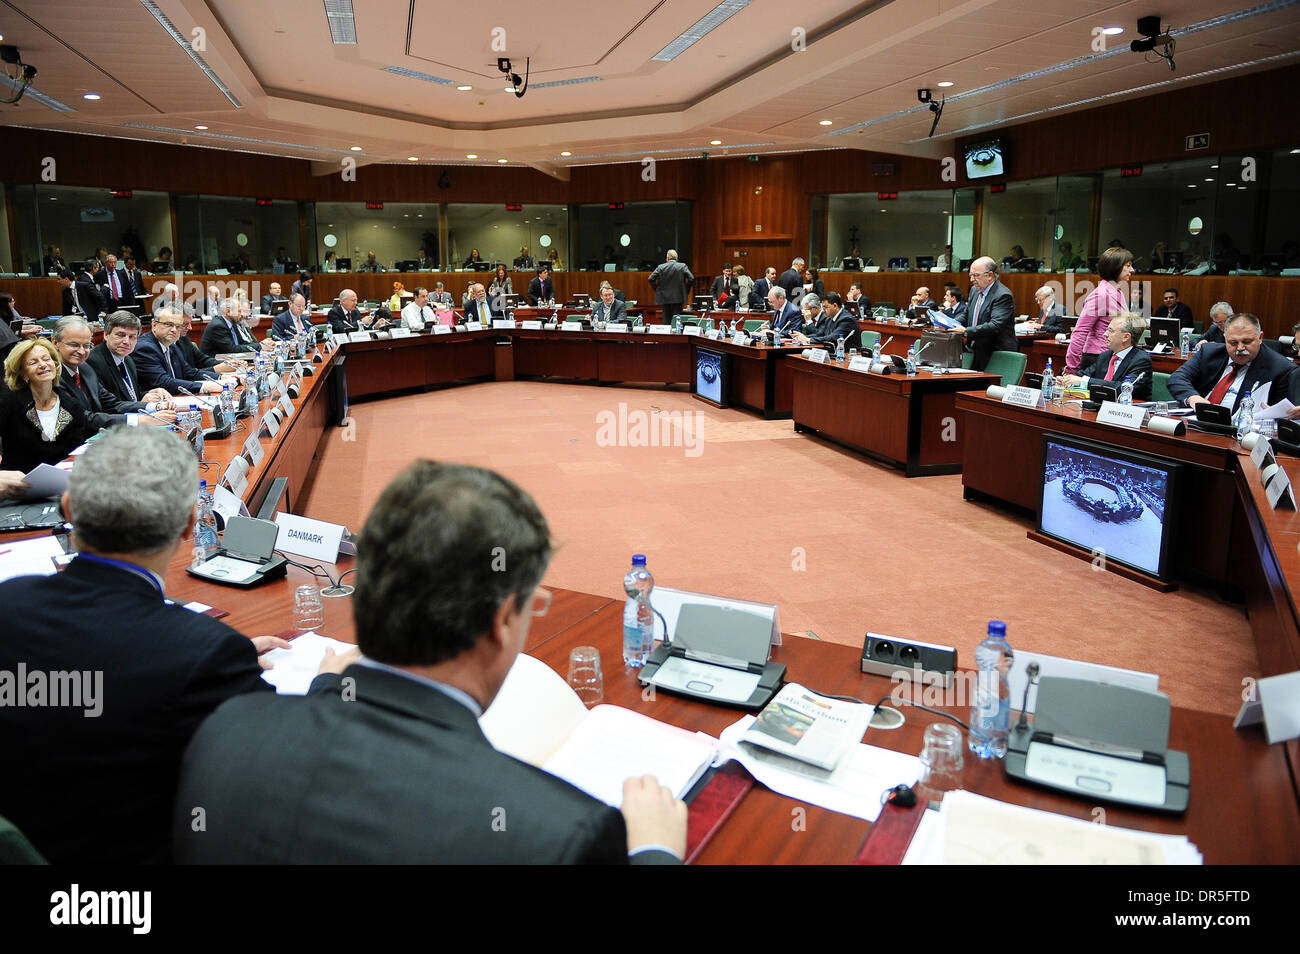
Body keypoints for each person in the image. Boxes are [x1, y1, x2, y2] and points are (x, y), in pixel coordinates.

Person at [172, 461, 685, 864]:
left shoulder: (223, 730)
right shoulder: (561, 832)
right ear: (502, 620)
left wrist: (330, 691)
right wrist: (654, 851)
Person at [0, 426, 351, 864]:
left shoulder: (9, 603)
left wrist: (224, 656)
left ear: (68, 509)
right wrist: (330, 685)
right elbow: (291, 759)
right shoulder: (201, 653)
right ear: (190, 524)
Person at [52, 317, 175, 431]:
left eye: (86, 345)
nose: (81, 351)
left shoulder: (85, 369)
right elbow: (83, 418)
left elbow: (113, 404)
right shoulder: (52, 377)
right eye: (74, 345)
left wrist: (155, 407)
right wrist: (140, 420)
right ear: (55, 343)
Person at [1168, 313, 1296, 413]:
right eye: (1233, 343)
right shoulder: (1209, 353)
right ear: (1225, 338)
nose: (1240, 348)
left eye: (1246, 342)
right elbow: (1177, 378)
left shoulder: (1281, 369)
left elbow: (1282, 413)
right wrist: (1194, 399)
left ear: (1260, 338)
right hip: (1197, 420)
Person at [0, 338, 89, 474]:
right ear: (23, 373)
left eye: (46, 359)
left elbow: (76, 451)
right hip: (17, 487)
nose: (43, 365)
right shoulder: (9, 403)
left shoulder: (72, 406)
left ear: (55, 364)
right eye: (33, 362)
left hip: (59, 484)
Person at [1065, 246, 1132, 375]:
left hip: (1113, 356)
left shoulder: (1119, 293)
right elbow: (1080, 332)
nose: (1132, 270)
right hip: (1096, 358)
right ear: (1116, 267)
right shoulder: (1100, 295)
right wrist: (1071, 369)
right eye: (1128, 266)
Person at [135, 309, 233, 395]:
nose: (174, 330)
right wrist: (204, 387)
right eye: (168, 324)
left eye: (178, 326)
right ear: (154, 325)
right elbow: (164, 382)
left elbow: (189, 373)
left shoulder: (172, 345)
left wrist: (221, 377)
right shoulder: (145, 348)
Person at [86, 312, 173, 407]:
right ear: (106, 335)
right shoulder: (93, 362)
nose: (126, 342)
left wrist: (151, 393)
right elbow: (108, 405)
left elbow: (131, 396)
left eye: (132, 337)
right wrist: (142, 405)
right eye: (120, 335)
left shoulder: (128, 360)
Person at [1059, 313, 1153, 400]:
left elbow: (1124, 388)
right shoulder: (1105, 356)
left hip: (1127, 412)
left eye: (1110, 331)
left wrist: (1083, 381)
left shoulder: (1141, 360)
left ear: (1126, 337)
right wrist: (1066, 379)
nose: (1105, 334)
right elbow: (1083, 375)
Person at [950, 256, 1016, 372]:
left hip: (996, 353)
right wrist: (950, 323)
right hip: (976, 350)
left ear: (990, 275)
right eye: (970, 275)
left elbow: (995, 325)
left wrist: (965, 331)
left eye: (976, 275)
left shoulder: (1003, 295)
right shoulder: (975, 290)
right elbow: (967, 314)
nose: (971, 279)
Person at [202, 296, 279, 353]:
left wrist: (261, 345)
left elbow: (242, 343)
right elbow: (232, 349)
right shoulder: (218, 326)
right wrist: (260, 346)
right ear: (228, 312)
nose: (241, 314)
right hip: (217, 363)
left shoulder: (232, 322)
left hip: (232, 359)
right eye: (239, 311)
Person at [793, 292, 858, 350]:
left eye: (825, 307)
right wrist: (801, 337)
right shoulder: (829, 318)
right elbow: (820, 334)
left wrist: (808, 340)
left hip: (849, 355)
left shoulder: (846, 319)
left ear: (835, 306)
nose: (823, 310)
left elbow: (833, 338)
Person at [648, 249, 693, 326]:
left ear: (667, 258)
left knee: (666, 323)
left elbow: (650, 279)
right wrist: (685, 291)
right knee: (677, 322)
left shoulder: (661, 267)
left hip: (664, 298)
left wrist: (658, 290)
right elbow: (691, 278)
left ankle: (667, 337)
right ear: (676, 258)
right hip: (678, 298)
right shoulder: (682, 266)